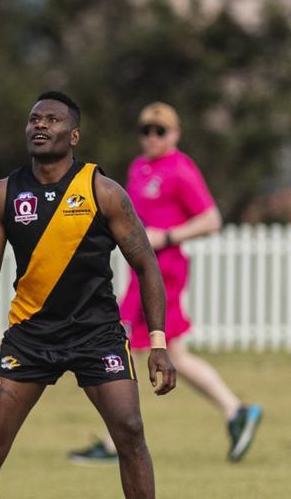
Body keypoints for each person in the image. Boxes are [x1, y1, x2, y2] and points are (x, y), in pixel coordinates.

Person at [0, 91, 178, 499]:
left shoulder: (103, 190)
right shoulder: (3, 194)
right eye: (34, 119)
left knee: (130, 432)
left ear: (74, 135)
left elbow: (147, 264)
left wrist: (159, 344)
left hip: (96, 334)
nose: (40, 125)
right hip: (30, 337)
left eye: (52, 120)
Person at [68, 101, 261, 465]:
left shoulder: (180, 170)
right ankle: (236, 412)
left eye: (160, 131)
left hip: (164, 273)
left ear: (175, 134)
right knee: (166, 353)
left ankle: (116, 443)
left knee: (120, 346)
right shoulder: (139, 168)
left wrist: (168, 236)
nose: (152, 137)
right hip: (139, 272)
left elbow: (210, 219)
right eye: (146, 130)